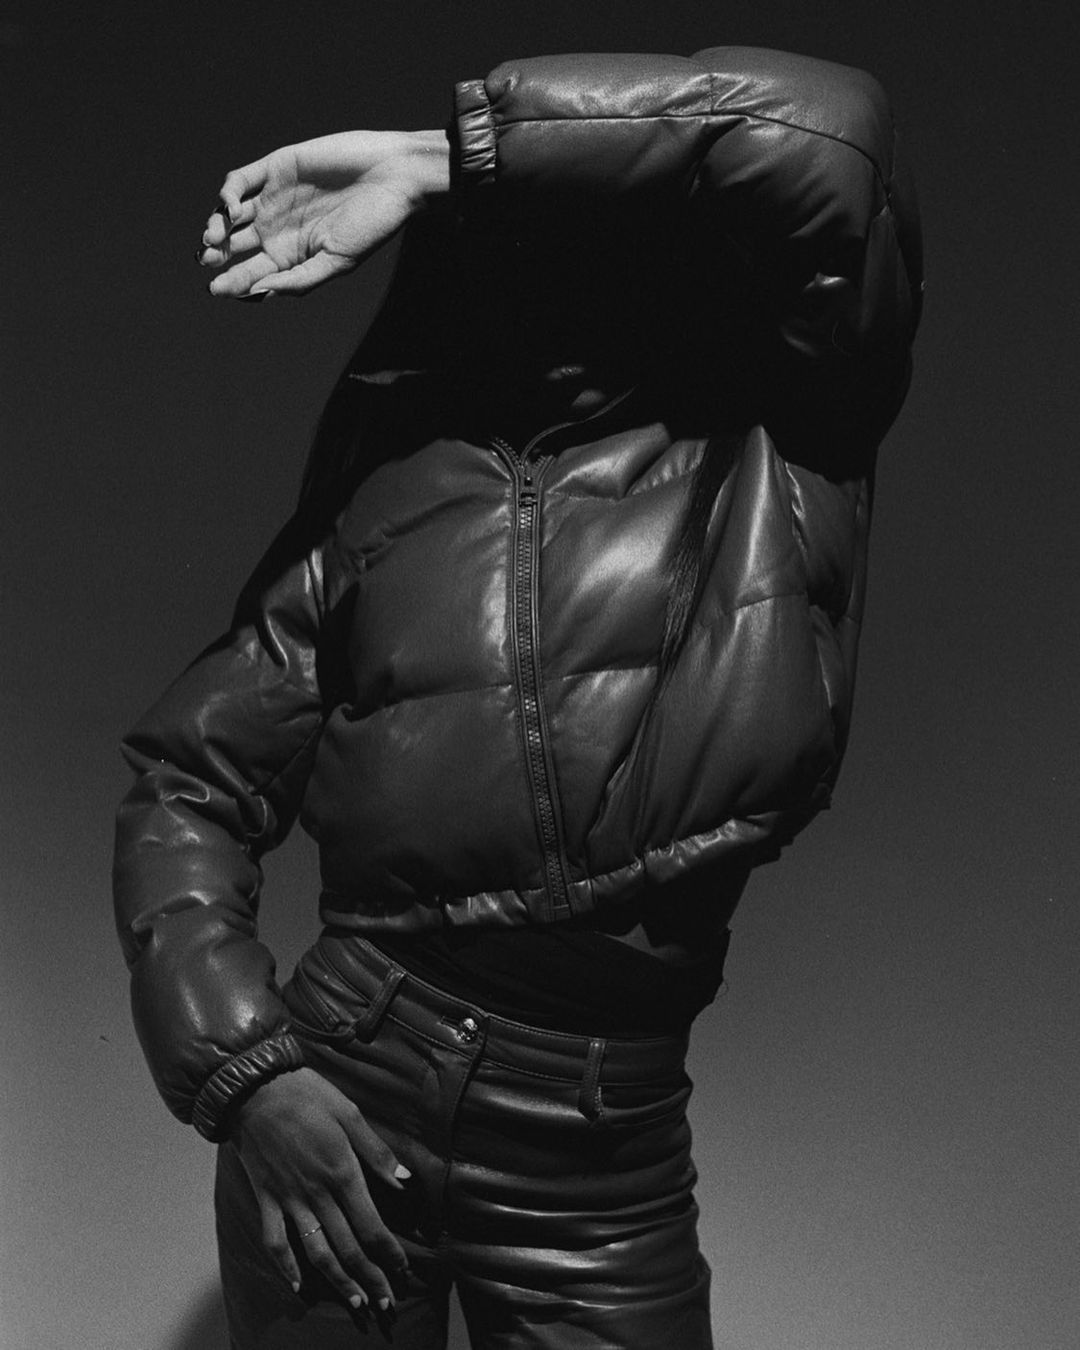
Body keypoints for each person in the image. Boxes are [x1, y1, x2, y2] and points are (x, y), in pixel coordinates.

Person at [114, 45, 922, 1350]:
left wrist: (450, 159)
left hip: (599, 1150)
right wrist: (248, 1076)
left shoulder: (780, 424)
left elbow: (833, 132)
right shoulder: (389, 493)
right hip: (350, 1091)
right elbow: (185, 783)